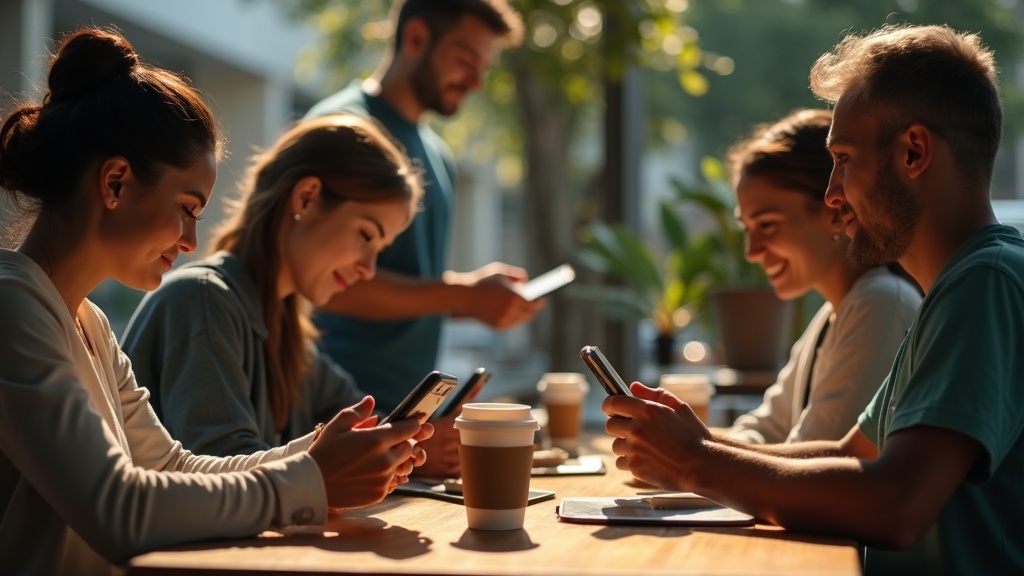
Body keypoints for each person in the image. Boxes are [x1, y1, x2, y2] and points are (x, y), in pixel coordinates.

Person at [0, 28, 431, 574]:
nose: (190, 242)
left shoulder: (89, 322)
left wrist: (311, 455)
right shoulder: (13, 305)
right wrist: (311, 480)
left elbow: (171, 466)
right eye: (186, 207)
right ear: (115, 183)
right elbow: (117, 508)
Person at [604, 24, 1024, 574]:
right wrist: (698, 445)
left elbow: (896, 502)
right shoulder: (955, 287)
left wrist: (694, 462)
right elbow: (851, 455)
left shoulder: (987, 280)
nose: (831, 193)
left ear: (914, 152)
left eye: (844, 157)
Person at [304, 0, 542, 476]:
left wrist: (475, 296)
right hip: (333, 424)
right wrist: (462, 295)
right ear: (416, 39)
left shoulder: (437, 153)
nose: (476, 81)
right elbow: (326, 282)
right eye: (464, 60)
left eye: (483, 67)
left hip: (409, 427)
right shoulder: (346, 130)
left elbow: (411, 284)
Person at [120, 114, 423, 457]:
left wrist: (414, 440)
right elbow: (226, 470)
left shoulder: (290, 336)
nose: (369, 269)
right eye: (366, 235)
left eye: (379, 251)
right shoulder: (202, 301)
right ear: (306, 198)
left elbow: (365, 427)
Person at [722, 108, 921, 444]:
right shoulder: (833, 316)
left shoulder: (880, 305)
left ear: (834, 209)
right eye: (748, 229)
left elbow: (816, 460)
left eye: (767, 224)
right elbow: (765, 428)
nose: (752, 251)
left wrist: (692, 453)